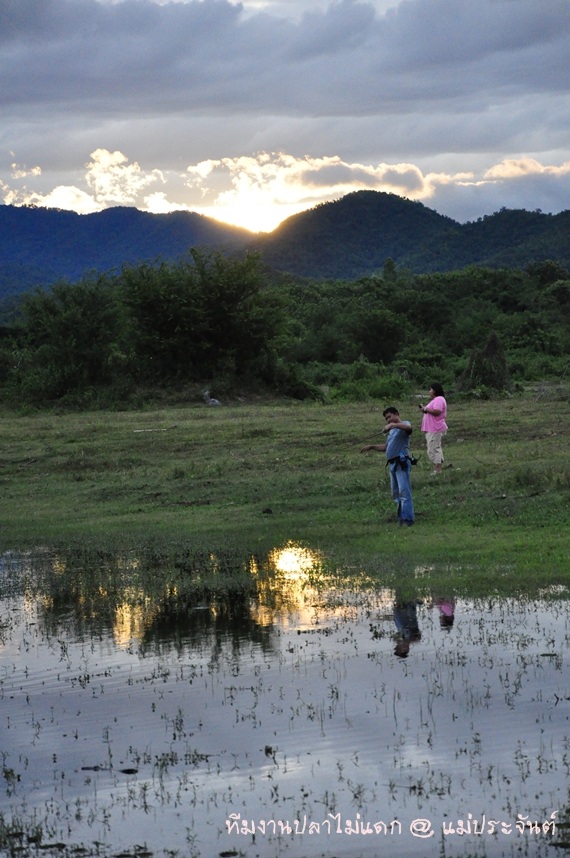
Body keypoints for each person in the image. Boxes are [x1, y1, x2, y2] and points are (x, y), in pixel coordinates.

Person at [361, 406, 415, 526]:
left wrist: (393, 425)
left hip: (402, 462)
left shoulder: (404, 424)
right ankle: (401, 517)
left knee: (404, 491)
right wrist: (372, 446)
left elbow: (409, 428)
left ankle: (407, 519)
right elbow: (386, 447)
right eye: (386, 419)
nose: (388, 420)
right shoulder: (392, 431)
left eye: (389, 417)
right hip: (392, 464)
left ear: (397, 414)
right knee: (396, 492)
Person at [419, 383, 448, 475]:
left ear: (435, 390)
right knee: (434, 447)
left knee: (433, 448)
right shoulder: (436, 400)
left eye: (430, 389)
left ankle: (437, 469)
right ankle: (438, 466)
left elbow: (437, 412)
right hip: (432, 428)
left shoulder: (439, 399)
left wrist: (426, 409)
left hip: (435, 428)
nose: (429, 391)